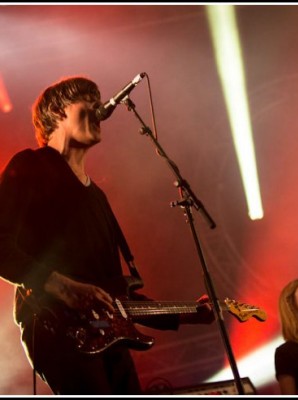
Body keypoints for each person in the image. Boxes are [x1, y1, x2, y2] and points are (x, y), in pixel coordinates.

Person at [0, 75, 215, 395]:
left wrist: (188, 315)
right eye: (87, 102)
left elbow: (116, 293)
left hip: (106, 333)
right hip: (56, 326)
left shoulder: (97, 196)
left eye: (98, 102)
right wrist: (62, 285)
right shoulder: (31, 166)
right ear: (57, 112)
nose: (99, 109)